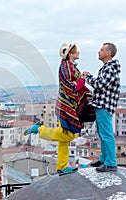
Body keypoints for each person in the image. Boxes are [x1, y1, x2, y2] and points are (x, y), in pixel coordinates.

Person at [25, 43, 92, 175]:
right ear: (71, 54)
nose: (78, 53)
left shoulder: (69, 66)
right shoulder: (66, 67)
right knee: (68, 135)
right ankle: (39, 129)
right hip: (66, 106)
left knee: (64, 138)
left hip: (66, 106)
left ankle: (62, 166)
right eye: (76, 51)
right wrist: (83, 78)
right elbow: (72, 87)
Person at [82, 43, 121, 172]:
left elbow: (100, 84)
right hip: (101, 105)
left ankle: (110, 163)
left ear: (108, 53)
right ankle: (104, 159)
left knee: (106, 134)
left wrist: (87, 77)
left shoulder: (110, 68)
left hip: (104, 106)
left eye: (101, 49)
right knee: (102, 134)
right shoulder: (107, 68)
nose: (99, 52)